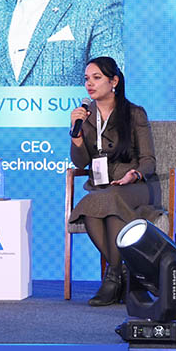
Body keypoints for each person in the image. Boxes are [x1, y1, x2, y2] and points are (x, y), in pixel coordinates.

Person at [68, 56, 160, 306]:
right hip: (103, 188)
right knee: (96, 205)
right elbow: (80, 163)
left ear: (114, 81)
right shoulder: (86, 117)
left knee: (104, 201)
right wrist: (76, 136)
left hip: (138, 186)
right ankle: (123, 274)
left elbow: (149, 160)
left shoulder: (134, 113)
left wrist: (134, 174)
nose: (89, 84)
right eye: (87, 79)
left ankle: (112, 279)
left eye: (96, 78)